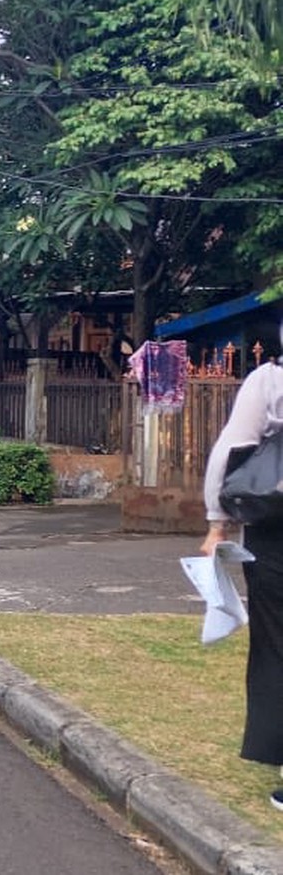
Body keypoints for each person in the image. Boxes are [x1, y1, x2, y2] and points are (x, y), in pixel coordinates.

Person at [202, 331, 283, 810]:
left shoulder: (270, 381)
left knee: (278, 646)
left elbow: (231, 451)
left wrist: (218, 525)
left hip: (277, 532)